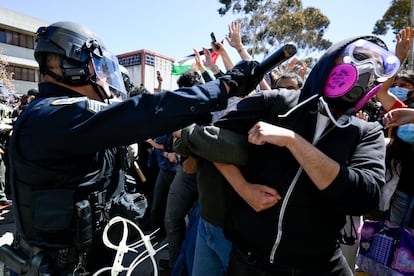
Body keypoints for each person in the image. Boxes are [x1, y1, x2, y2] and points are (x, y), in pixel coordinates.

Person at [2, 21, 262, 275]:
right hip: (63, 265)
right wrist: (226, 85)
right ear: (70, 64)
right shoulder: (56, 115)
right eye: (96, 66)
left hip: (83, 258)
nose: (102, 76)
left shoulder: (59, 115)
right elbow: (147, 111)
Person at [176, 34, 399, 275]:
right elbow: (206, 139)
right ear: (333, 59)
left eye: (378, 66)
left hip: (319, 264)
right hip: (250, 260)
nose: (366, 70)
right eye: (361, 56)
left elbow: (363, 197)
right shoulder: (276, 103)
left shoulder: (367, 132)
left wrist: (293, 142)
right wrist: (242, 188)